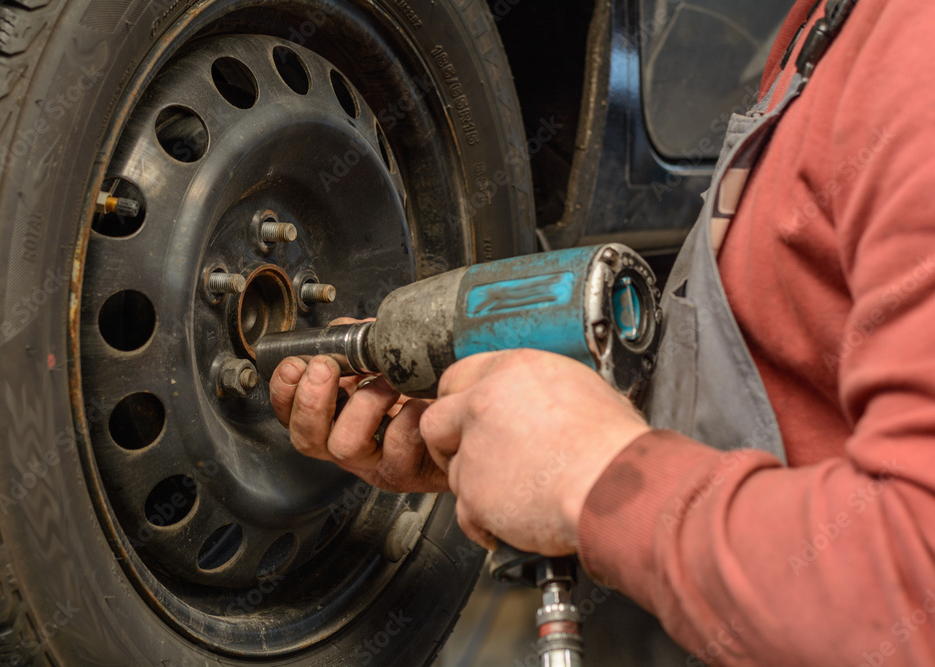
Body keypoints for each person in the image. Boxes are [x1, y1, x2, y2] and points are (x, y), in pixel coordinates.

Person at [269, 0, 935, 663]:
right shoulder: (836, 25)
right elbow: (807, 377)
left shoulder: (914, 49)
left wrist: (601, 478)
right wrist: (537, 437)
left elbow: (909, 591)